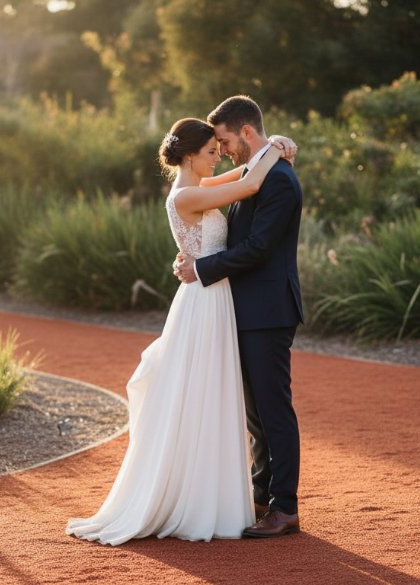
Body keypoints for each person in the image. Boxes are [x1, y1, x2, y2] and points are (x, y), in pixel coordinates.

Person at [65, 117, 296, 545]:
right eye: (211, 151)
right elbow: (246, 186)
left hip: (215, 297)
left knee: (218, 396)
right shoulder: (188, 193)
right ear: (190, 155)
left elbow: (241, 175)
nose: (218, 156)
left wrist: (270, 148)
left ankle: (226, 494)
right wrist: (277, 151)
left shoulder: (199, 186)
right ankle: (197, 497)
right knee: (205, 395)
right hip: (205, 303)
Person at [174, 95, 304, 538]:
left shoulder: (279, 181)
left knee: (273, 410)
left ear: (246, 132)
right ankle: (261, 495)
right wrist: (193, 256)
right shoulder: (254, 172)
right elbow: (235, 199)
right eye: (215, 146)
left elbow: (259, 248)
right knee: (255, 416)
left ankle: (285, 507)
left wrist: (201, 267)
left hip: (267, 311)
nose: (223, 149)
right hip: (242, 309)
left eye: (225, 141)